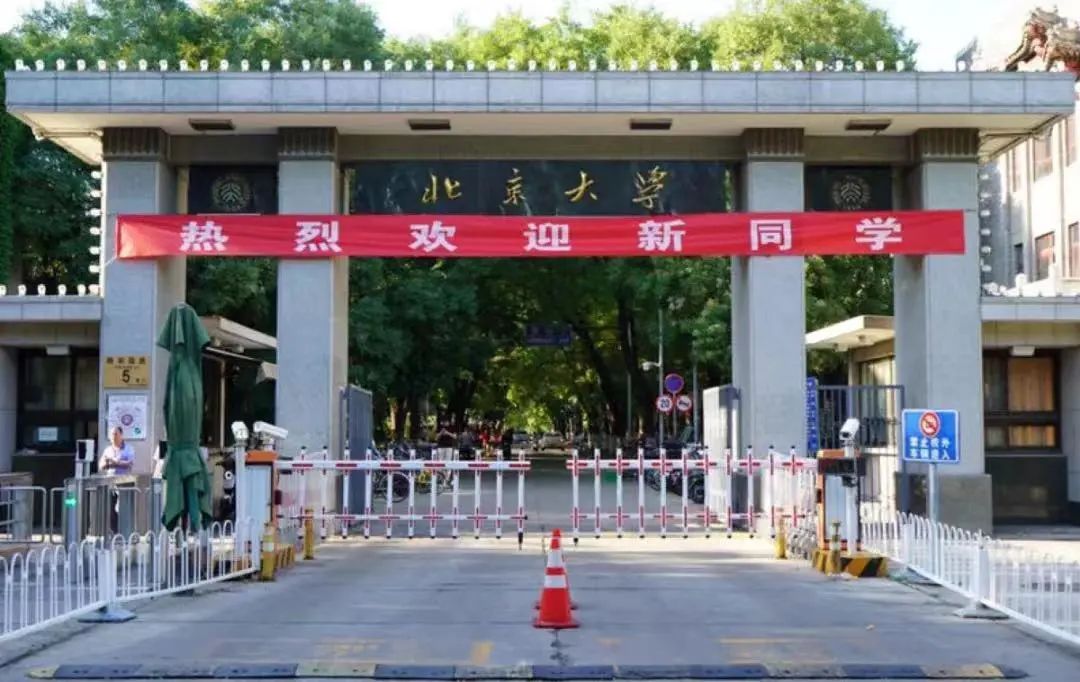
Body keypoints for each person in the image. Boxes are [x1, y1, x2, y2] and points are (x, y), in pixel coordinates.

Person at [97, 426, 135, 535]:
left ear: (121, 435)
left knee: (123, 508)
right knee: (111, 508)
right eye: (112, 435)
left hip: (124, 483)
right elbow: (101, 466)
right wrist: (114, 463)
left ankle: (125, 533)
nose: (113, 437)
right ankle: (114, 532)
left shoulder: (128, 448)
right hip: (110, 483)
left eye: (116, 434)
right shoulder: (108, 450)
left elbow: (129, 464)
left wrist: (114, 462)